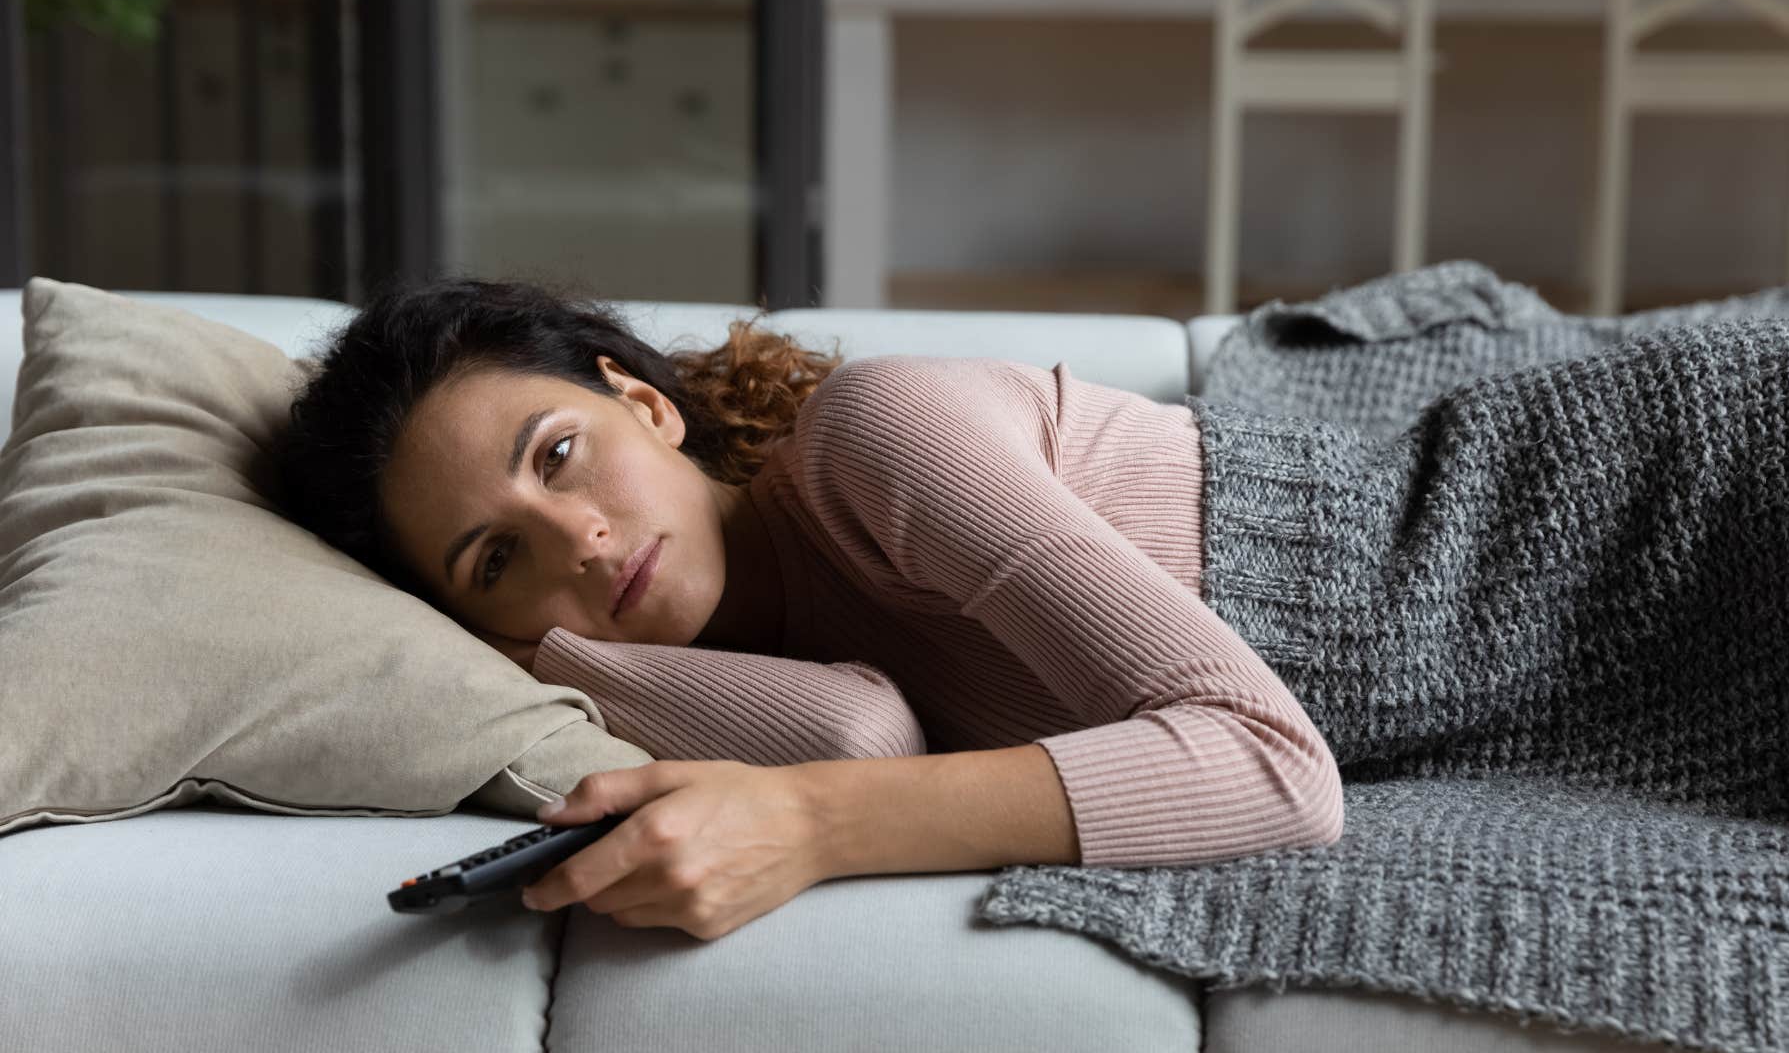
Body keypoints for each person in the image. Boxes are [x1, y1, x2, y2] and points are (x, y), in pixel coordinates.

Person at [272, 276, 1345, 938]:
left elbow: (1269, 769)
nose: (580, 541)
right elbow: (863, 740)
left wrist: (804, 825)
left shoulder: (878, 436)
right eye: (498, 559)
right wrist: (552, 658)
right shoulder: (740, 673)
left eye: (559, 456)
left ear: (645, 405)